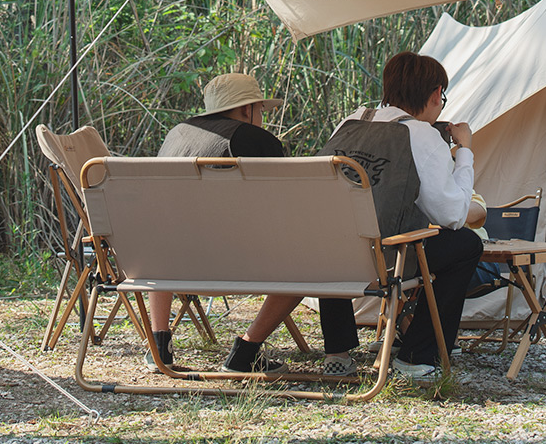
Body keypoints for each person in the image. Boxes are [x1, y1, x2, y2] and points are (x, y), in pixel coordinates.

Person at [147, 73, 355, 376]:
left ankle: (158, 344)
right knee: (319, 254)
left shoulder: (177, 134)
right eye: (261, 110)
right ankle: (248, 350)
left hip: (168, 266)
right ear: (248, 110)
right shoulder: (254, 140)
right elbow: (288, 209)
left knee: (163, 236)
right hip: (240, 264)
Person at [318, 51, 483, 382]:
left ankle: (338, 352)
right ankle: (417, 354)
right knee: (465, 245)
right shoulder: (420, 134)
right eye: (442, 98)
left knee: (335, 227)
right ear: (436, 94)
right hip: (386, 258)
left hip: (328, 255)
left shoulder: (349, 122)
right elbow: (453, 215)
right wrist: (464, 152)